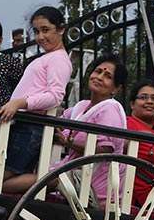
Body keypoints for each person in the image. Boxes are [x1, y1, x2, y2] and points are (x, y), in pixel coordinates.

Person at [0, 6, 73, 194]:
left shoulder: (59, 59)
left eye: (46, 30)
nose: (40, 37)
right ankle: (48, 179)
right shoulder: (50, 57)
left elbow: (55, 96)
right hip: (24, 126)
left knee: (0, 181)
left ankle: (51, 179)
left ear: (61, 29)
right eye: (37, 31)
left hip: (30, 128)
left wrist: (19, 103)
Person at [54, 54, 128, 205]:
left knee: (47, 178)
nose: (99, 77)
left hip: (95, 189)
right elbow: (60, 120)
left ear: (116, 88)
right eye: (98, 71)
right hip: (74, 178)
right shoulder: (81, 106)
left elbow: (105, 149)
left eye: (107, 76)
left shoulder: (111, 109)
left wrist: (70, 142)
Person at [125, 79, 154, 208]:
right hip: (135, 198)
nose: (149, 102)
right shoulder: (125, 124)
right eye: (143, 97)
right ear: (132, 104)